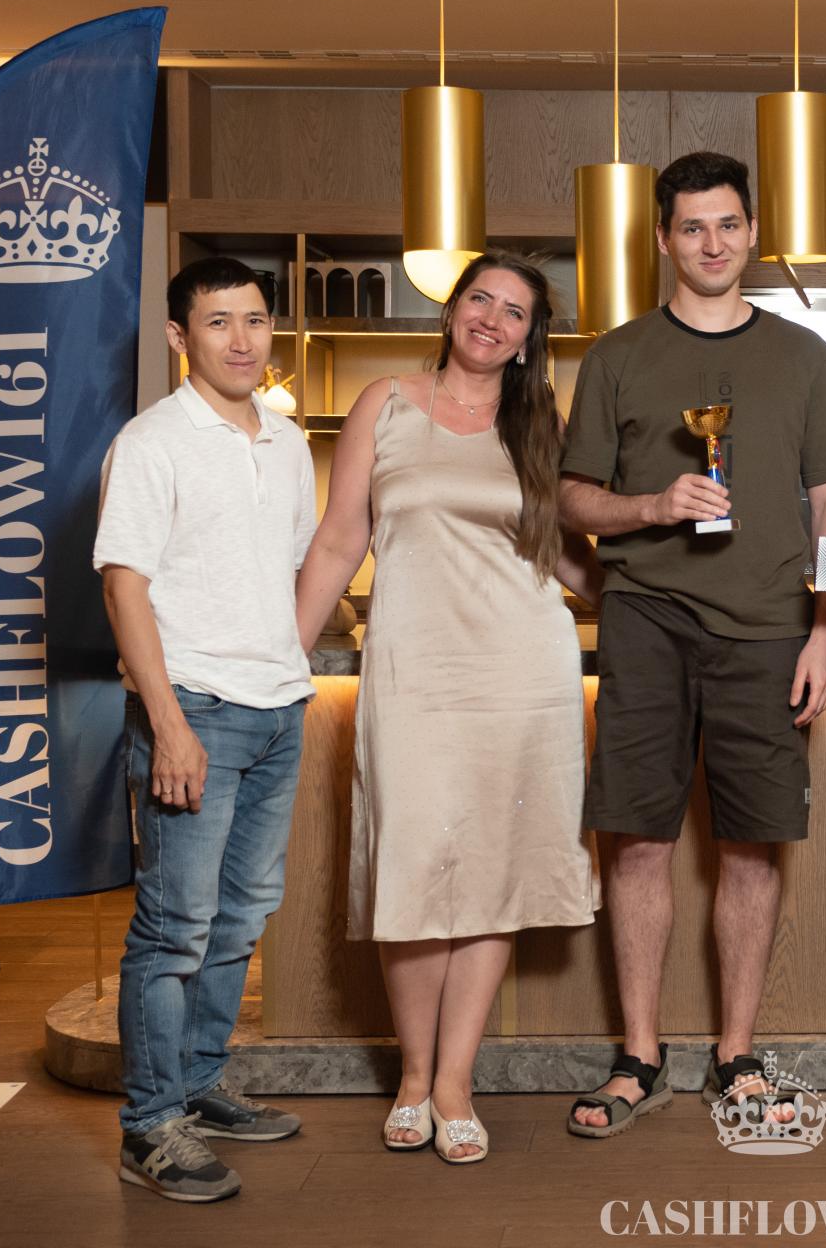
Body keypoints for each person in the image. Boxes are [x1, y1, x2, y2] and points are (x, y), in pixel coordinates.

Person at [559, 151, 826, 1137]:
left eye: (728, 224)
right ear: (663, 238)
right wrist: (653, 505)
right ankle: (639, 1056)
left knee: (752, 846)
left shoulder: (806, 358)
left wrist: (825, 631)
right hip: (646, 616)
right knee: (637, 839)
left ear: (753, 233)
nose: (712, 243)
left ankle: (736, 1055)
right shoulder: (618, 356)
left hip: (770, 625)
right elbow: (573, 498)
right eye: (692, 227)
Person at [293, 252, 603, 1164]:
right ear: (452, 308)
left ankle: (455, 1083)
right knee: (417, 864)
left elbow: (569, 557)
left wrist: (673, 587)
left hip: (523, 671)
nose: (492, 320)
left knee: (493, 872)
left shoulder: (538, 423)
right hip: (416, 671)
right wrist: (282, 657)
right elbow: (340, 538)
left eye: (514, 312)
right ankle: (413, 1075)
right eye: (480, 299)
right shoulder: (385, 402)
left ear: (528, 339)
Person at [95, 257, 317, 1203]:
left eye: (255, 320)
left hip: (278, 710)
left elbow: (292, 569)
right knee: (174, 926)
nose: (242, 339)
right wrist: (168, 723)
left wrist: (289, 677)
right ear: (180, 336)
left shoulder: (289, 441)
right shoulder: (152, 442)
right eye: (219, 322)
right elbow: (124, 586)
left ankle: (196, 1084)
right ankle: (149, 1126)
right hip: (195, 711)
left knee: (240, 918)